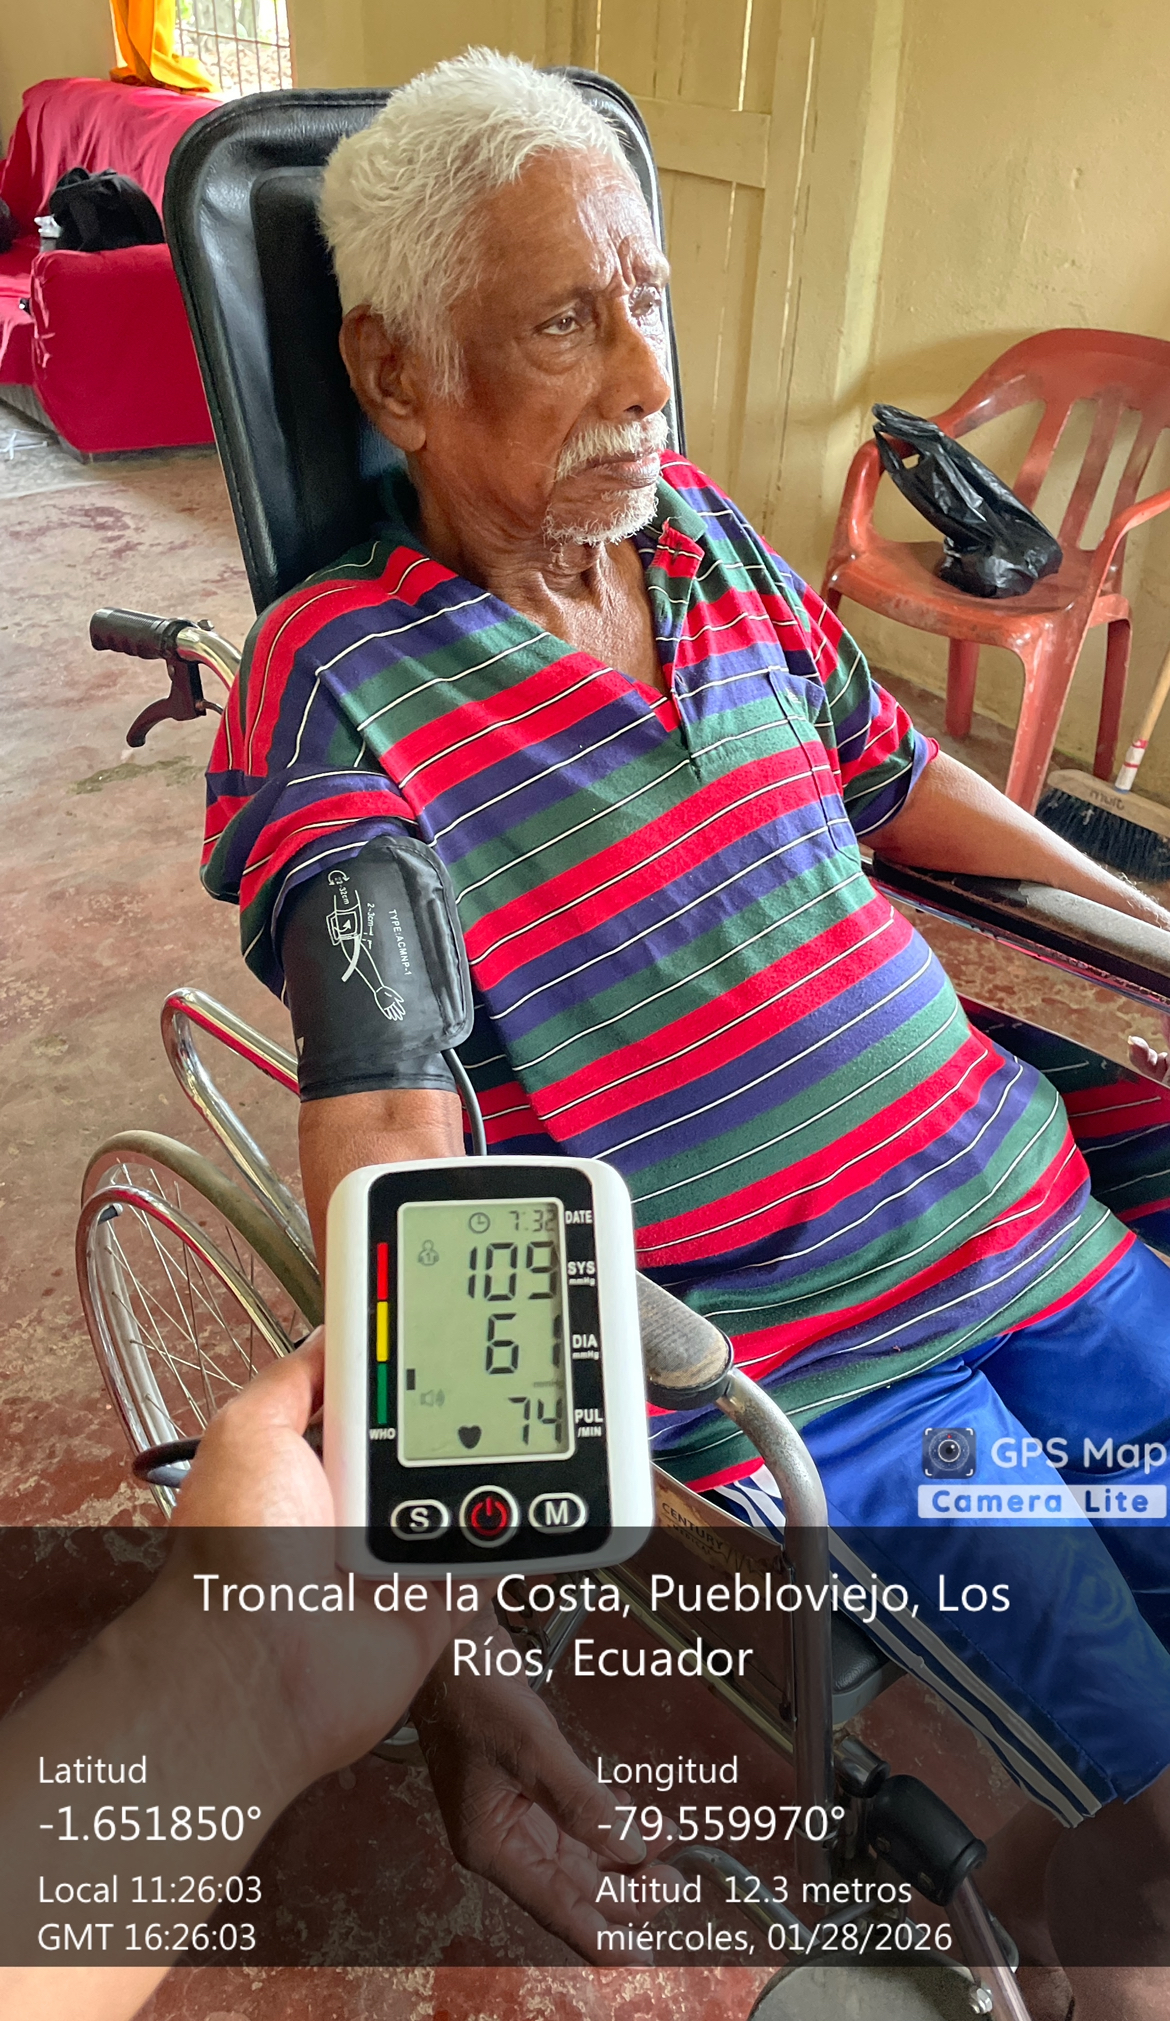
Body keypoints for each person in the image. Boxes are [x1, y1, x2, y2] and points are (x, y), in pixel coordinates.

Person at [200, 48, 1170, 2018]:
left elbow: (886, 771)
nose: (649, 376)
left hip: (1036, 1216)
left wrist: (1143, 913)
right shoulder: (341, 678)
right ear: (394, 375)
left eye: (645, 297)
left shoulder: (701, 538)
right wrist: (446, 1591)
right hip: (836, 1361)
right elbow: (388, 1112)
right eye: (567, 322)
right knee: (1143, 1774)